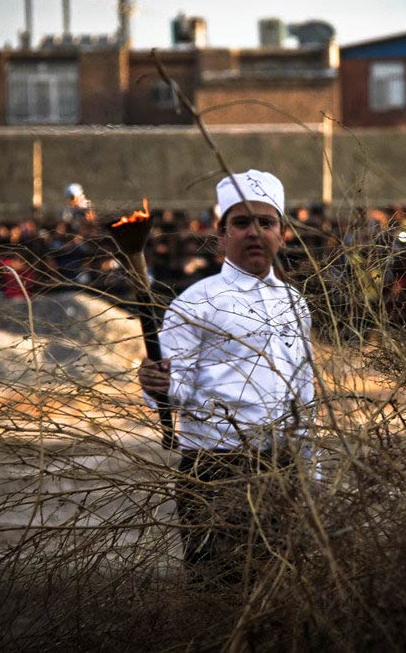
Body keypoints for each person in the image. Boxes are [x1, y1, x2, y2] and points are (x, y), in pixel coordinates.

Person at [138, 169, 316, 583]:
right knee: (221, 592)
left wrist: (312, 473)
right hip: (216, 472)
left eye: (265, 222)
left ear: (282, 233)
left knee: (281, 589)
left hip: (283, 470)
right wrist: (157, 384)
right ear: (222, 234)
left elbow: (304, 392)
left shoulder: (295, 303)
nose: (254, 232)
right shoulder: (195, 304)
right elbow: (174, 390)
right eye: (241, 222)